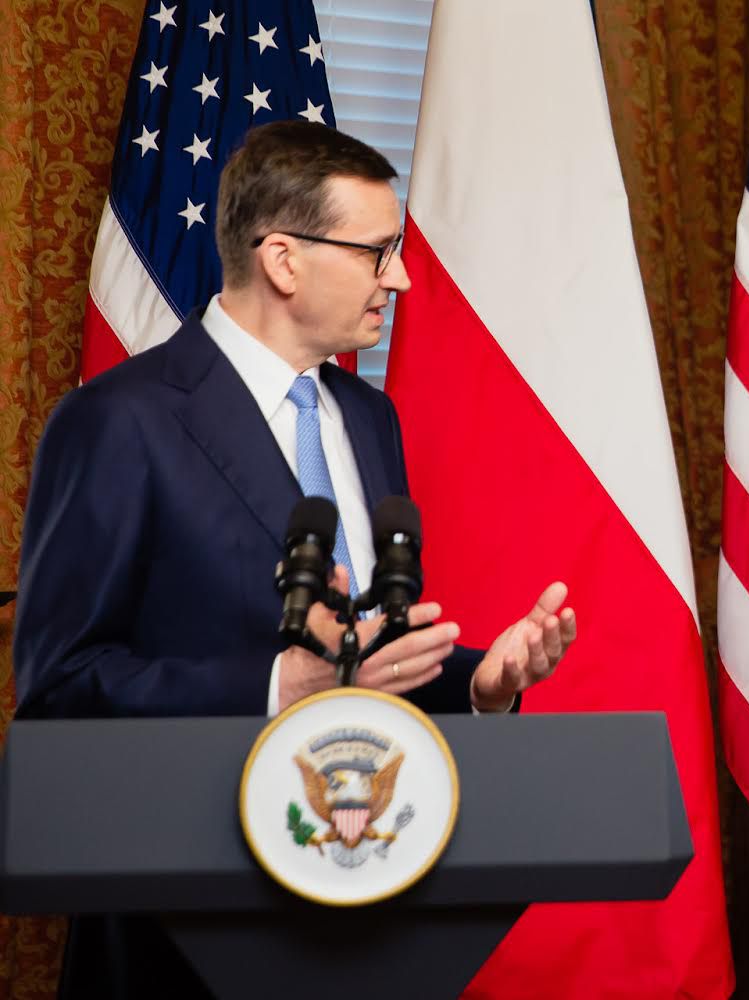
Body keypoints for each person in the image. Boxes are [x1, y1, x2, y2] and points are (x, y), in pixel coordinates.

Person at [12, 121, 577, 997]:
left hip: (370, 907)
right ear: (282, 259)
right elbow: (59, 688)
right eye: (377, 252)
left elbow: (366, 662)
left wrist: (477, 684)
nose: (402, 277)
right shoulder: (120, 422)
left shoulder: (367, 417)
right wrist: (278, 689)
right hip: (179, 940)